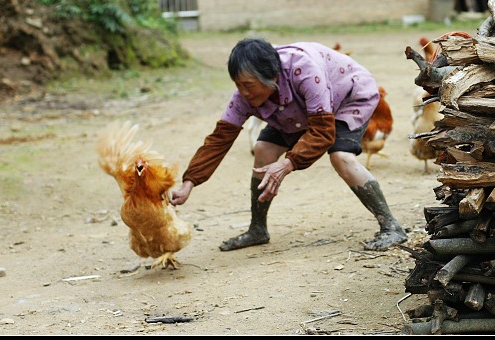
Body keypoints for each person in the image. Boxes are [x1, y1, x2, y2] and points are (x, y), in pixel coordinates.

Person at [170, 37, 408, 251]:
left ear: (272, 77)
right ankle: (257, 230)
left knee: (341, 156)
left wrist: (287, 164)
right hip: (299, 112)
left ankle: (391, 227)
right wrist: (189, 182)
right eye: (238, 84)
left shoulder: (304, 70)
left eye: (249, 85)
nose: (243, 92)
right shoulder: (244, 96)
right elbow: (219, 139)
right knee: (264, 148)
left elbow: (322, 132)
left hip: (347, 97)